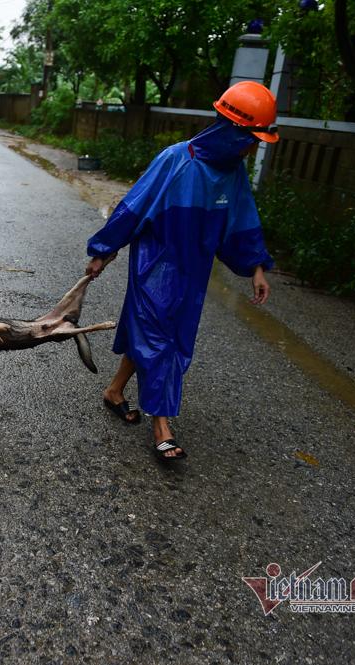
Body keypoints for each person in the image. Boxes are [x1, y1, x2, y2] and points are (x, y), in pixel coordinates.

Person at [85, 81, 278, 461]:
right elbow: (133, 208)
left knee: (155, 335)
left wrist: (256, 267)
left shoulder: (232, 174)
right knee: (163, 342)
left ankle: (114, 391)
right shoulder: (175, 160)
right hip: (153, 267)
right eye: (252, 138)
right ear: (231, 130)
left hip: (192, 274)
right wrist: (103, 251)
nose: (254, 147)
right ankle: (162, 425)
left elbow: (241, 222)